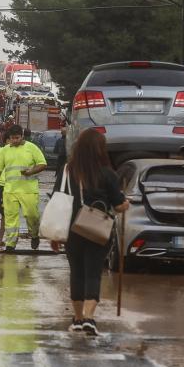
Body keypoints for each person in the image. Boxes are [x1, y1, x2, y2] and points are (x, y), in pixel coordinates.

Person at [51, 129, 129, 335]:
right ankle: (89, 317)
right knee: (93, 273)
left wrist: (55, 235)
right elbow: (119, 205)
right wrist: (125, 203)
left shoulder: (68, 170)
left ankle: (77, 319)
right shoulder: (107, 174)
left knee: (76, 273)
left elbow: (57, 199)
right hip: (98, 229)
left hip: (71, 229)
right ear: (100, 150)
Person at [0, 124, 47, 253]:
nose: (14, 140)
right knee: (10, 218)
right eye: (12, 138)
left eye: (17, 138)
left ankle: (34, 235)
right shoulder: (5, 151)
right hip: (10, 190)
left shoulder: (32, 148)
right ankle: (10, 243)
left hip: (29, 190)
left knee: (32, 215)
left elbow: (42, 164)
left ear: (22, 136)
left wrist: (31, 171)